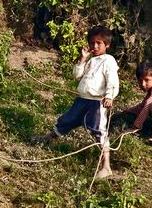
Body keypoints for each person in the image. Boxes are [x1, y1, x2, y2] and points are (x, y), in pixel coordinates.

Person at [34, 26, 119, 178]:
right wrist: (82, 59)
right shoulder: (91, 61)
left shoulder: (108, 60)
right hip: (82, 100)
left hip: (96, 103)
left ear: (107, 45)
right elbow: (77, 75)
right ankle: (48, 138)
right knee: (68, 120)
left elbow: (112, 80)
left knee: (98, 130)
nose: (94, 46)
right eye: (92, 43)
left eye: (99, 43)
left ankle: (106, 166)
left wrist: (109, 96)